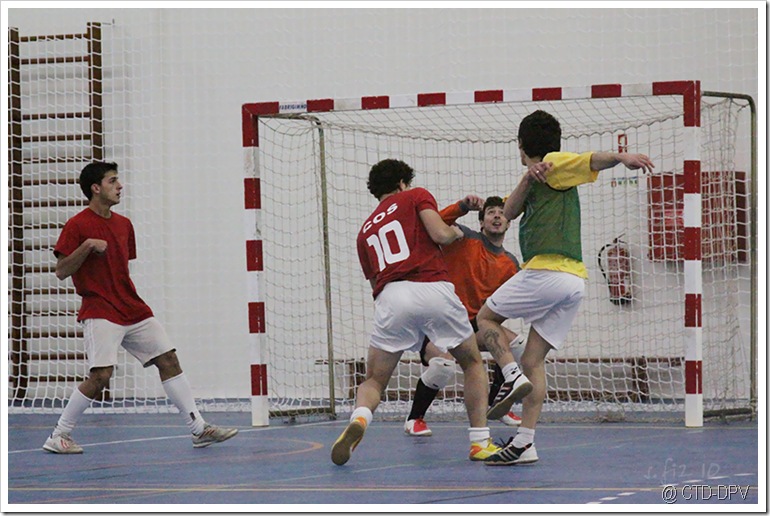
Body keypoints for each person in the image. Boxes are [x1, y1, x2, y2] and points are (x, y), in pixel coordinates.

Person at [478, 110, 655, 466]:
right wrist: (527, 179)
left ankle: (510, 378)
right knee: (533, 360)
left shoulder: (555, 163)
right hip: (573, 282)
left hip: (547, 270)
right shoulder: (536, 177)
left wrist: (620, 157)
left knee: (485, 319)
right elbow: (508, 212)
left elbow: (590, 159)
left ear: (521, 144)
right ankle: (526, 442)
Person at [42, 161, 238, 454]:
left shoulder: (124, 225)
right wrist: (86, 247)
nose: (120, 186)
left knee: (168, 359)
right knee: (101, 377)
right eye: (112, 181)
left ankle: (198, 429)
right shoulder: (77, 225)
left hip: (132, 308)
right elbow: (61, 270)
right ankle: (59, 435)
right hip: (100, 309)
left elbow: (119, 269)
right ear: (96, 188)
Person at [331, 159, 496, 465]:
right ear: (403, 183)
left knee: (374, 381)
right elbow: (439, 234)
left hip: (391, 298)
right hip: (432, 287)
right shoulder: (415, 195)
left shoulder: (364, 231)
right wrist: (456, 234)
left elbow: (374, 283)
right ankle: (480, 442)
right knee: (472, 363)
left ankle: (360, 418)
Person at [404, 194, 529, 437]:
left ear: (509, 222)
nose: (497, 216)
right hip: (441, 322)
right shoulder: (464, 238)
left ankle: (498, 405)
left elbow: (507, 305)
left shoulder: (511, 263)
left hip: (474, 326)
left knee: (518, 346)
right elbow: (436, 223)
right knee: (443, 366)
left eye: (502, 213)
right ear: (481, 222)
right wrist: (462, 207)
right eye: (491, 212)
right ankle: (414, 418)